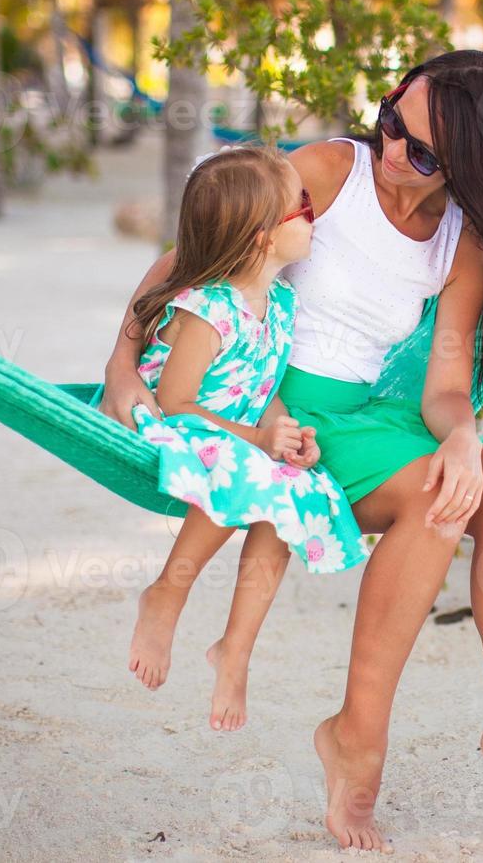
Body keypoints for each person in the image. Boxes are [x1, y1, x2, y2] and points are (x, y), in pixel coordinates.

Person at [101, 50, 483, 853]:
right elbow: (197, 256)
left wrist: (464, 433)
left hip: (369, 418)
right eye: (392, 121)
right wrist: (119, 367)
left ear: (466, 165)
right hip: (276, 412)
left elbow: (445, 387)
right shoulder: (325, 172)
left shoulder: (461, 245)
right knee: (437, 494)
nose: (392, 152)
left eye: (421, 152)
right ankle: (356, 739)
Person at [124, 144, 369, 732]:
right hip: (179, 423)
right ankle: (167, 592)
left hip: (238, 434)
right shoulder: (209, 310)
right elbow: (178, 401)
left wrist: (285, 434)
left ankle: (236, 647)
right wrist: (256, 441)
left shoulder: (280, 304)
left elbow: (264, 386)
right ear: (263, 238)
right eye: (301, 207)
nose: (313, 215)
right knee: (247, 469)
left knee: (291, 492)